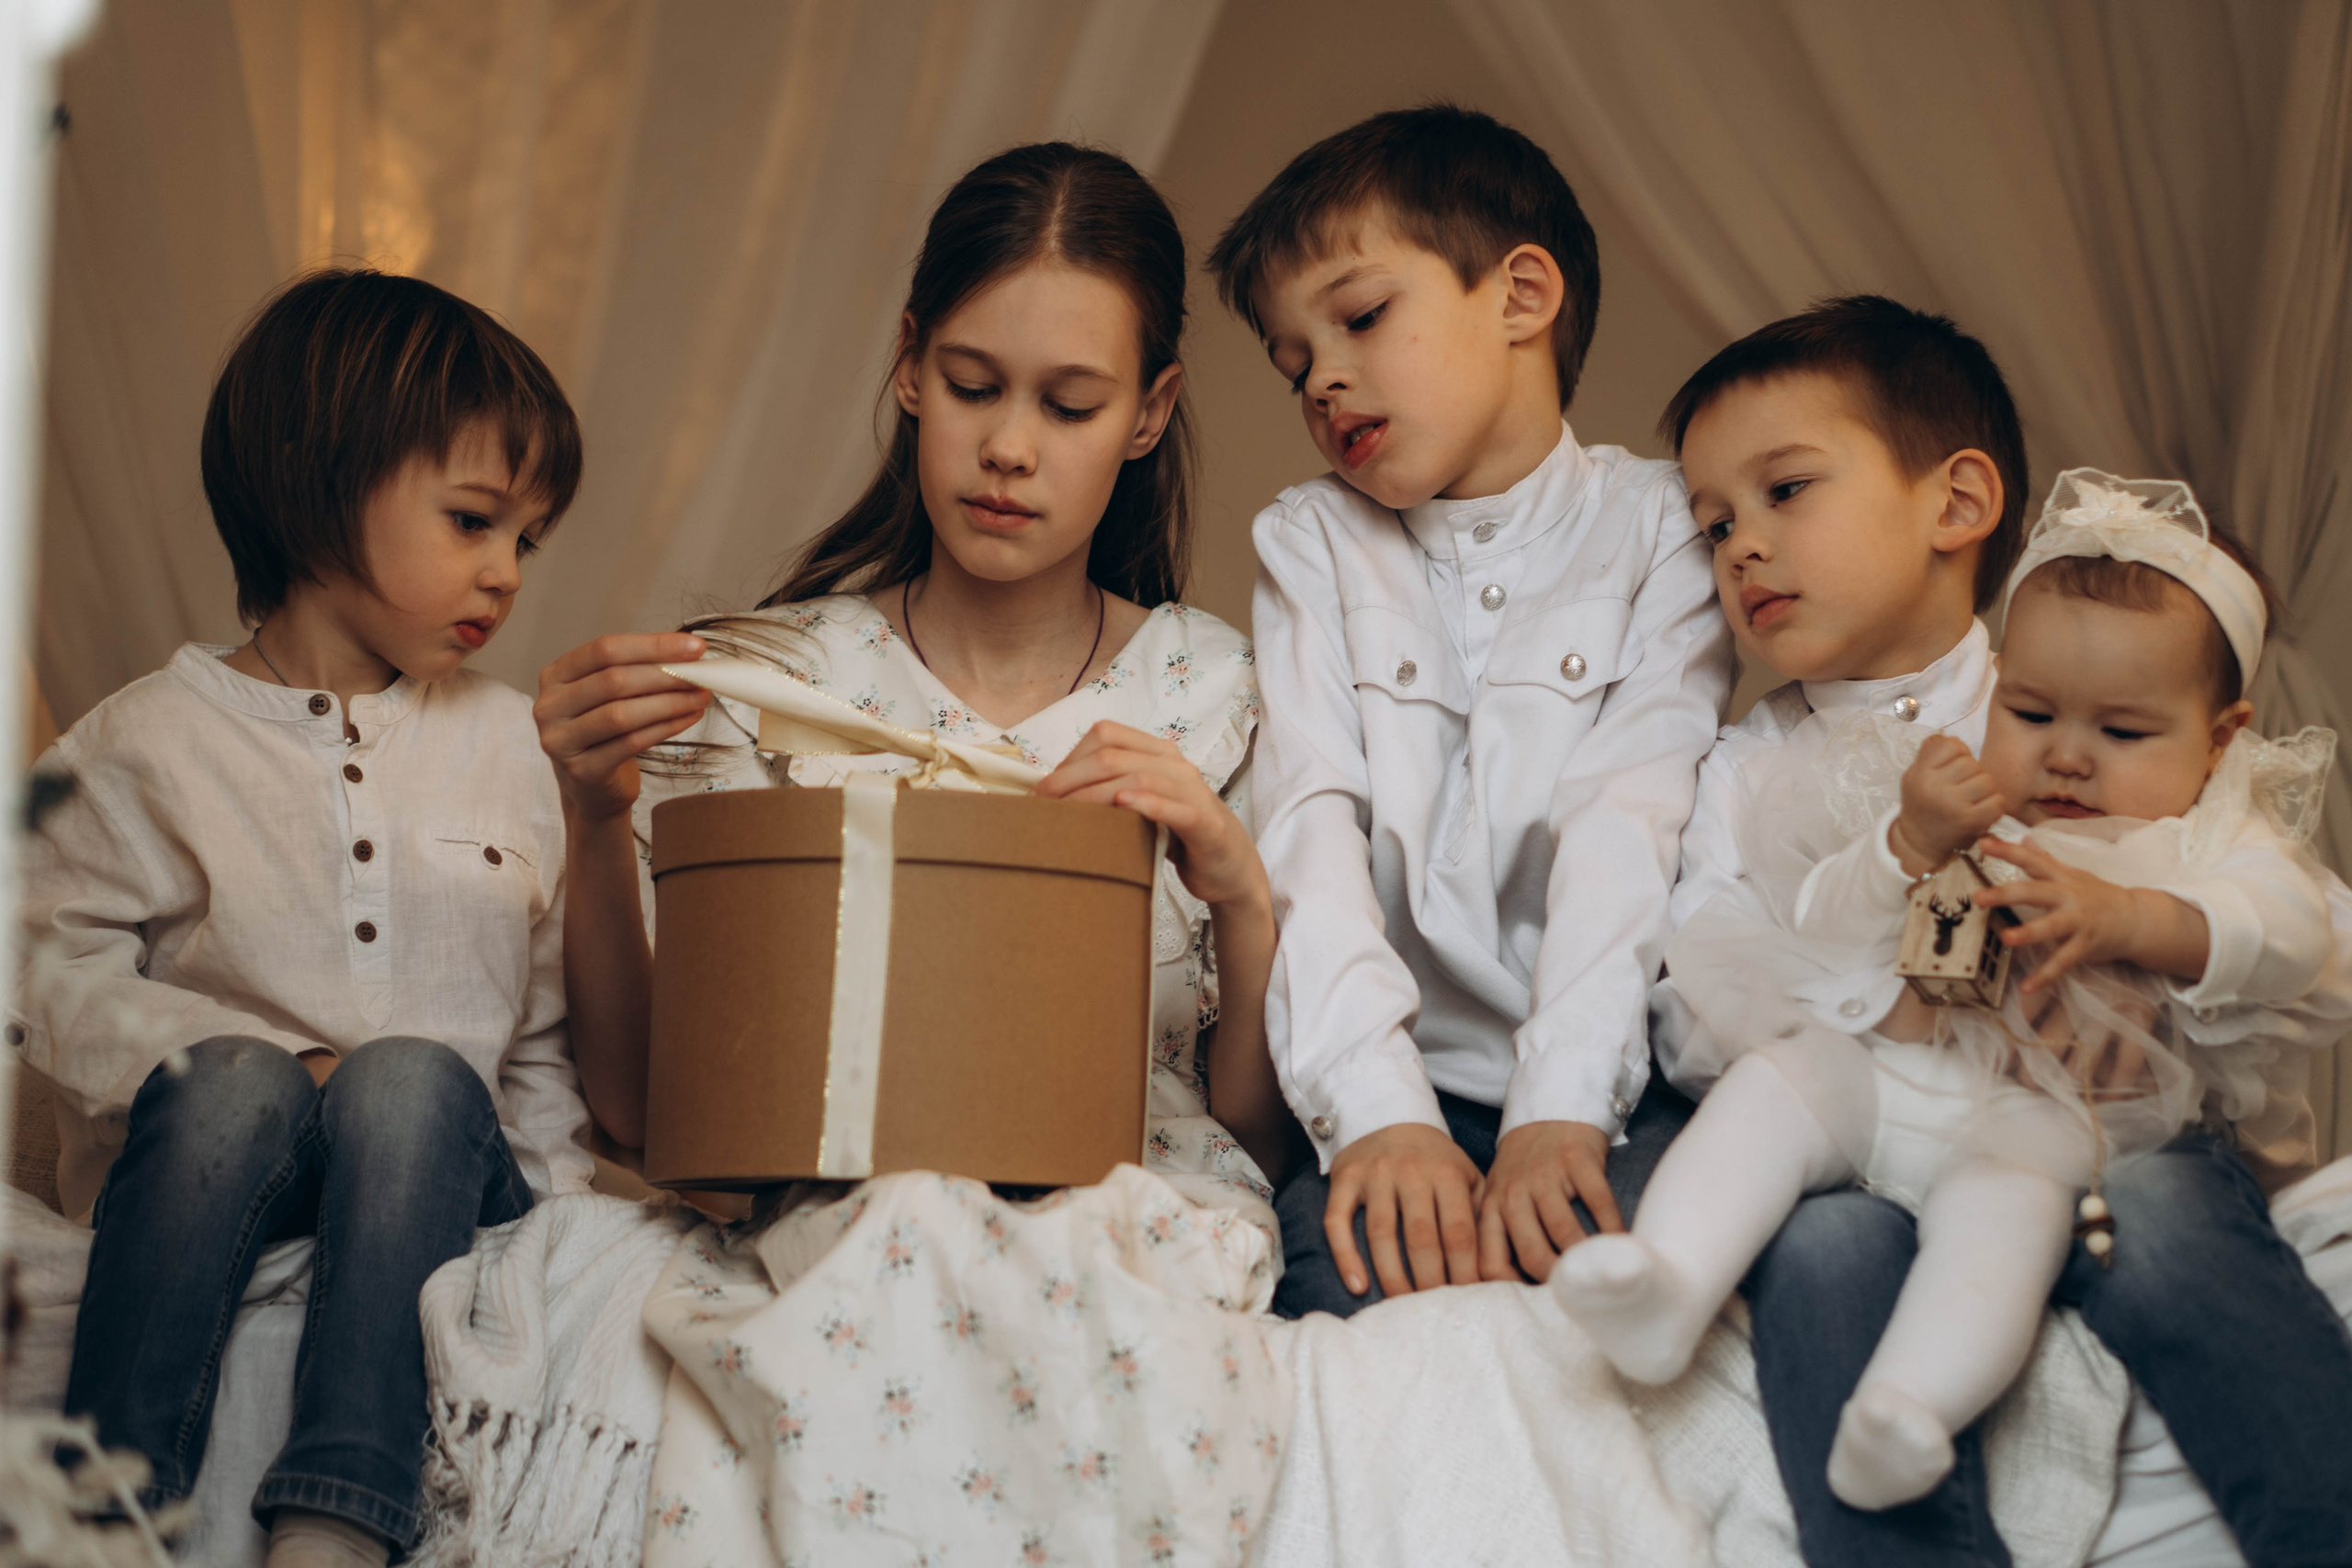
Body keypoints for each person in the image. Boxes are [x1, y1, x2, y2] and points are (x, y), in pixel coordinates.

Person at [536, 143, 1298, 1560]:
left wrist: (1237, 887)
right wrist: (591, 821)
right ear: (904, 367)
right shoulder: (773, 681)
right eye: (971, 385)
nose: (1010, 446)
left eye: (1071, 404)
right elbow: (644, 1116)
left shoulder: (1219, 692)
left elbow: (1257, 1130)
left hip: (1129, 1218)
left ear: (1151, 413)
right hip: (832, 1211)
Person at [1641, 296, 2352, 1568]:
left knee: (2162, 1218)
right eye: (1712, 525)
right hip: (1876, 1133)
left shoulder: (2082, 672)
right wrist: (1873, 1006)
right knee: (1820, 1249)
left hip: (2090, 1131)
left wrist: (2153, 970)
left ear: (1959, 504)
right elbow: (1697, 1004)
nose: (1741, 548)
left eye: (1784, 491)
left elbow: (2295, 933)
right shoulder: (1746, 769)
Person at [16, 270, 592, 1568]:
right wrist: (279, 1061)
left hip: (440, 1168)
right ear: (316, 478)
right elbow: (47, 970)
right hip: (228, 1167)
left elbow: (543, 1039)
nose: (504, 573)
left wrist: (554, 1221)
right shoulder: (146, 742)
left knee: (406, 1083)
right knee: (231, 1081)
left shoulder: (512, 746)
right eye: (473, 520)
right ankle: (97, 1513)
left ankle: (338, 1520)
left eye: (526, 540)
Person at [1204, 105, 1728, 1314]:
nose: (1323, 377)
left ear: (1521, 295)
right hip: (1393, 1079)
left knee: (1638, 1311)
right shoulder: (1312, 542)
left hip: (1607, 1075)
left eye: (1362, 316)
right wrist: (1382, 1120)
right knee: (1341, 1303)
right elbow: (1308, 837)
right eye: (1293, 365)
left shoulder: (1660, 526)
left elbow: (1629, 824)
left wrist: (1560, 1111)